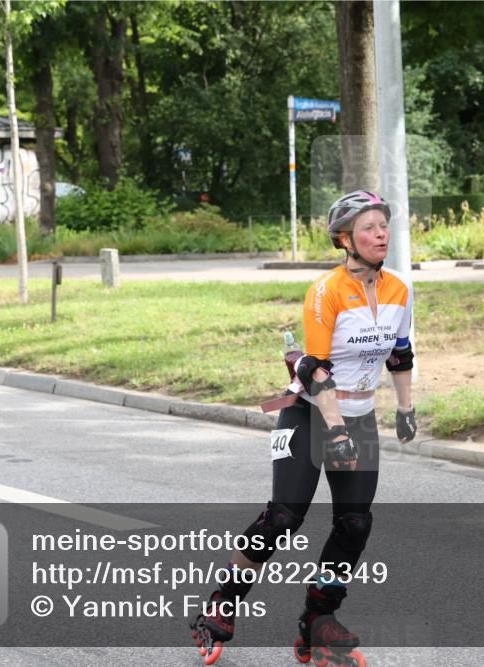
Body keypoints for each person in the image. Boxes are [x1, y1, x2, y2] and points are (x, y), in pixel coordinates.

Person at [190, 190, 417, 666]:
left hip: (357, 417)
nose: (381, 234)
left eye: (384, 226)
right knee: (283, 519)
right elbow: (318, 369)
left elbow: (400, 354)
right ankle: (221, 605)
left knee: (354, 524)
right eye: (369, 227)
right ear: (345, 238)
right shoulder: (325, 291)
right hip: (309, 414)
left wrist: (404, 408)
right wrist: (335, 430)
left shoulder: (398, 288)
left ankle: (319, 618)